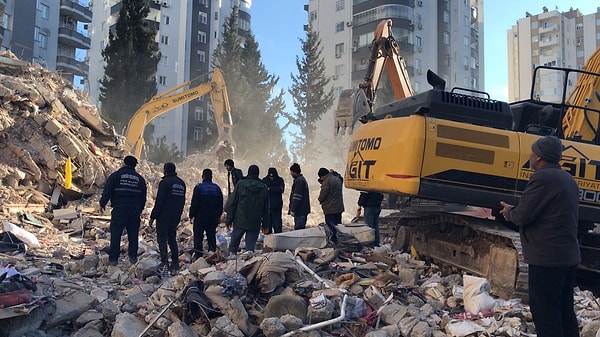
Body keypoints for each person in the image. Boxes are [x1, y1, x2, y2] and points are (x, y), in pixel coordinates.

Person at [499, 136, 580, 337]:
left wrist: (509, 212)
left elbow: (523, 215)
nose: (530, 156)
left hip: (547, 259)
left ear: (539, 157)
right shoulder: (567, 179)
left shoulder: (543, 178)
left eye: (532, 153)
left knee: (546, 315)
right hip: (567, 256)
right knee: (564, 311)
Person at [99, 155, 147, 266]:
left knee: (116, 233)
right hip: (134, 210)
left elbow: (107, 191)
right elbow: (143, 197)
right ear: (135, 165)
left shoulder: (116, 176)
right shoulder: (140, 179)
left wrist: (102, 203)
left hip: (119, 209)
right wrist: (139, 209)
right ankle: (133, 258)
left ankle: (113, 259)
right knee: (133, 234)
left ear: (124, 163)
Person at [149, 162, 186, 274]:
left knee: (162, 240)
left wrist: (153, 217)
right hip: (175, 216)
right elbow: (182, 202)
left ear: (165, 170)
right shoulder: (181, 183)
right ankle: (175, 263)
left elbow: (160, 202)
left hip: (164, 216)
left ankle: (165, 263)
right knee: (172, 239)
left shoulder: (164, 183)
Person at [225, 165, 270, 255]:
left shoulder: (240, 184)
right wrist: (265, 225)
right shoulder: (263, 187)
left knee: (233, 245)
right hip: (254, 222)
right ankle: (249, 264)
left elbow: (232, 203)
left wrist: (228, 220)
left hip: (239, 220)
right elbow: (266, 209)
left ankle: (231, 261)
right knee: (250, 249)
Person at [189, 169, 223, 259]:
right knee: (211, 237)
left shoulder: (199, 187)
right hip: (212, 217)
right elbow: (220, 204)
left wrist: (191, 215)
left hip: (200, 217)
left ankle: (198, 257)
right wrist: (218, 216)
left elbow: (194, 203)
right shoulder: (217, 188)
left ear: (202, 176)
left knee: (198, 238)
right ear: (211, 176)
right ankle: (212, 256)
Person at [262, 167, 285, 233]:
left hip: (276, 207)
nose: (271, 178)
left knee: (277, 226)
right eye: (270, 176)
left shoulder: (280, 180)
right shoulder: (264, 180)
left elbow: (281, 189)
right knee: (267, 227)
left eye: (273, 176)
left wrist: (270, 189)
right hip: (267, 207)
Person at [288, 163, 310, 230]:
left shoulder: (299, 181)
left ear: (294, 172)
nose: (290, 173)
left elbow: (297, 197)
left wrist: (293, 209)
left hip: (300, 211)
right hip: (302, 210)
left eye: (291, 172)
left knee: (299, 230)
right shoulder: (301, 180)